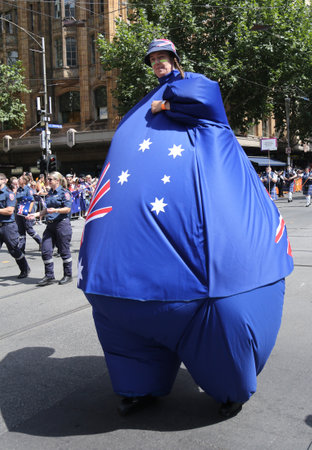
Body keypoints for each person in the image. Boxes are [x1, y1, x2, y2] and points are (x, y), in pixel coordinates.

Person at [78, 39, 293, 418]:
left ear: (175, 60)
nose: (158, 64)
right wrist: (157, 105)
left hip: (213, 287)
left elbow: (204, 98)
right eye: (154, 60)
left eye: (163, 58)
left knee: (224, 320)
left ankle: (225, 386)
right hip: (126, 287)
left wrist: (165, 104)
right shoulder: (140, 112)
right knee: (204, 324)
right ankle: (138, 384)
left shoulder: (193, 91)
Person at [27, 171, 73, 286]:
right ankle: (49, 276)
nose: (48, 181)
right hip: (50, 225)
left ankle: (68, 275)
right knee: (46, 250)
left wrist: (56, 210)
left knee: (64, 251)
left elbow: (67, 209)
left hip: (62, 224)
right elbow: (46, 210)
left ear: (57, 181)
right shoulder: (49, 193)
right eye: (48, 179)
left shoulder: (64, 193)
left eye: (51, 179)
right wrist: (36, 215)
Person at [0, 173, 30, 278]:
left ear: (5, 180)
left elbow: (9, 210)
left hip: (7, 226)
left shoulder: (9, 194)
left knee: (13, 250)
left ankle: (24, 268)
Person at [15, 175, 42, 253]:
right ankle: (21, 248)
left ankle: (40, 242)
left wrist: (29, 213)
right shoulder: (19, 189)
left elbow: (31, 201)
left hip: (25, 212)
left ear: (24, 181)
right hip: (19, 212)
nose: (18, 180)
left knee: (29, 230)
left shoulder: (28, 189)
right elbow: (17, 200)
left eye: (19, 179)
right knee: (20, 231)